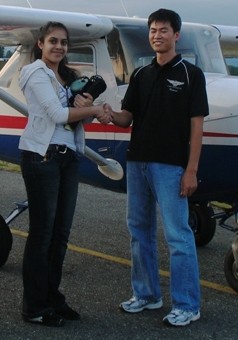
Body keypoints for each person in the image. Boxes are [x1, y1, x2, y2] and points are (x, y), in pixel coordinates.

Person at [104, 9, 209, 327]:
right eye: (152, 30)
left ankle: (188, 304)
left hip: (171, 166)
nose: (157, 35)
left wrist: (191, 170)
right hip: (138, 163)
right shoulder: (140, 74)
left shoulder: (192, 75)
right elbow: (127, 118)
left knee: (178, 235)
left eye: (163, 30)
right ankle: (147, 295)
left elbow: (196, 128)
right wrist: (108, 114)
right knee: (139, 231)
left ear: (176, 35)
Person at [18, 21, 109, 327]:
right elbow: (57, 116)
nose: (59, 46)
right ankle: (34, 307)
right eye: (53, 41)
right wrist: (93, 110)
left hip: (68, 156)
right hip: (42, 156)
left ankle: (51, 298)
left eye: (64, 43)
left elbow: (71, 120)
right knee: (42, 235)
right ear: (40, 44)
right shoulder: (35, 72)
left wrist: (84, 104)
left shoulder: (67, 77)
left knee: (60, 235)